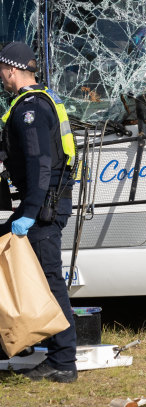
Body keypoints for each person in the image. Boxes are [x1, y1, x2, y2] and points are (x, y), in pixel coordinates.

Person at [0, 42, 77, 383]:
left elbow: (40, 164)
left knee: (49, 280)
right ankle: (20, 339)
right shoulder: (35, 102)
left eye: (1, 71)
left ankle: (63, 361)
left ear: (11, 70)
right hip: (40, 204)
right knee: (20, 269)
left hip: (43, 208)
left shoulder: (29, 109)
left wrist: (28, 213)